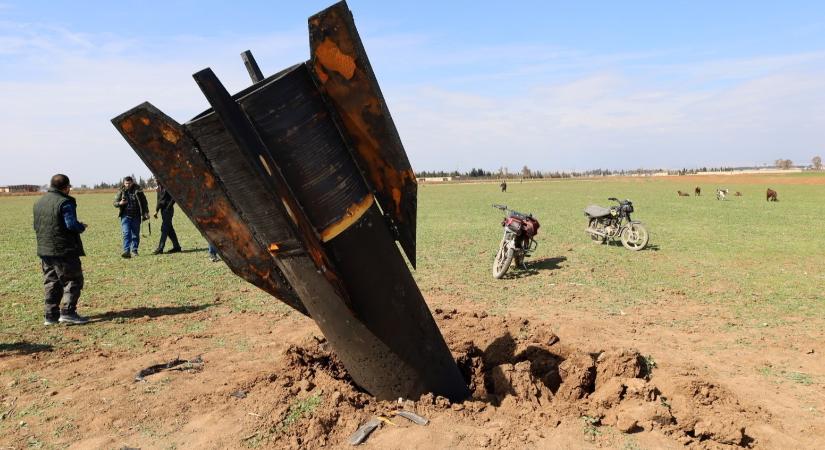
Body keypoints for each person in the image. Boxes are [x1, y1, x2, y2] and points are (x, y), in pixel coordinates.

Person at [33, 174, 89, 325]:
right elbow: (70, 225)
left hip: (45, 249)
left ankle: (50, 316)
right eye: (69, 187)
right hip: (63, 249)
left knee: (51, 282)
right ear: (65, 187)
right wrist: (81, 226)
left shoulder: (39, 202)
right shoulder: (65, 202)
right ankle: (68, 312)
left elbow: (37, 225)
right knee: (73, 280)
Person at [114, 176, 149, 258]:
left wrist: (146, 212)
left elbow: (144, 202)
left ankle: (134, 250)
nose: (128, 185)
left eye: (129, 183)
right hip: (125, 216)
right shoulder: (121, 191)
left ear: (132, 182)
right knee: (126, 233)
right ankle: (126, 251)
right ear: (124, 183)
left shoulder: (138, 190)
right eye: (126, 183)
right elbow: (115, 203)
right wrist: (120, 203)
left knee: (135, 234)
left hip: (136, 215)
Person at [152, 181, 182, 254]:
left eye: (156, 178)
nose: (155, 180)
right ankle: (177, 247)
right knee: (169, 229)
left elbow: (173, 197)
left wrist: (168, 207)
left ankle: (160, 248)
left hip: (168, 210)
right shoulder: (159, 188)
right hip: (163, 210)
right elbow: (159, 200)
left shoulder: (168, 185)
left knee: (164, 228)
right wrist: (156, 211)